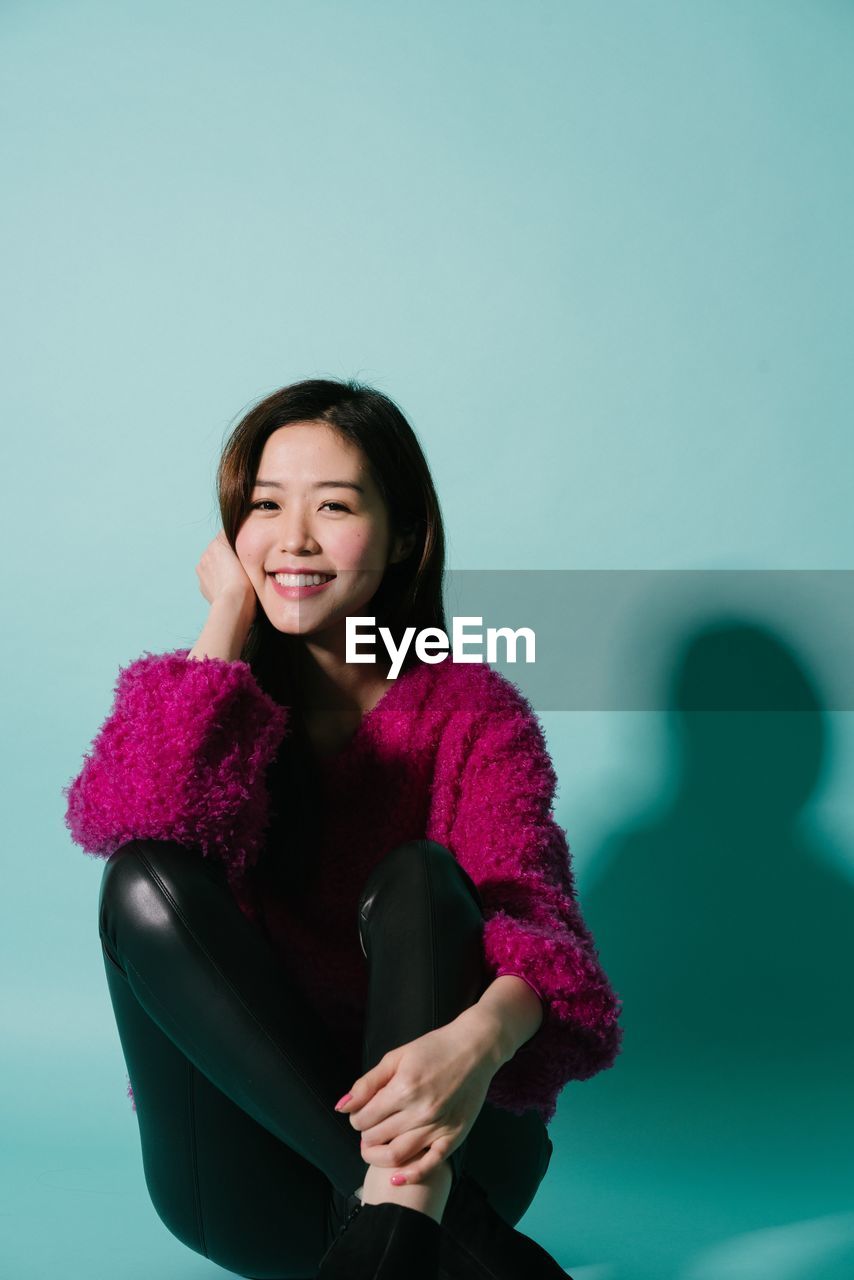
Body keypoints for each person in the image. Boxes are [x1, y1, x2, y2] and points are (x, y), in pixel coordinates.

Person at [62, 377, 624, 1279]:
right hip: (254, 1173)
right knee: (141, 874)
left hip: (453, 1125)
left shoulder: (475, 709)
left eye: (333, 507)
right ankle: (441, 1228)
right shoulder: (225, 705)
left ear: (402, 535)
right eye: (266, 507)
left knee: (422, 879)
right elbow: (129, 821)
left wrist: (472, 1045)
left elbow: (543, 934)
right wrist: (227, 619)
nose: (294, 539)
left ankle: (405, 1214)